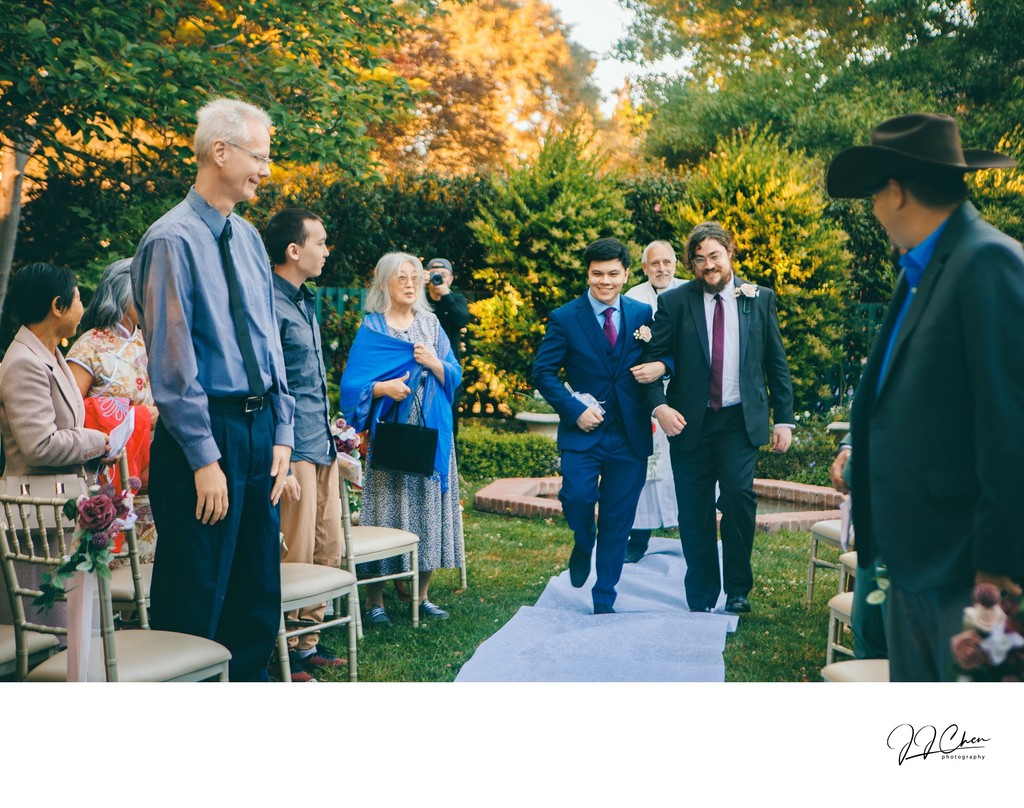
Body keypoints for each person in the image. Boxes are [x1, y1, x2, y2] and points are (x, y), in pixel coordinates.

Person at [826, 112, 1024, 681]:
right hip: (913, 559)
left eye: (873, 194)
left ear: (895, 192)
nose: (872, 208)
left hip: (965, 567)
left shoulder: (987, 260)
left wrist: (997, 570)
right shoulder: (923, 267)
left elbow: (1010, 425)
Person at [131, 98, 296, 682]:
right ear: (220, 152)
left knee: (256, 591)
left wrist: (282, 431)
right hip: (205, 435)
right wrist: (204, 459)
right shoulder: (169, 239)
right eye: (260, 157)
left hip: (260, 432)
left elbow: (270, 342)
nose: (266, 171)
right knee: (196, 592)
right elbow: (172, 364)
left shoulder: (248, 238)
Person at [645, 221, 794, 614]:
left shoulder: (758, 298)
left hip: (738, 422)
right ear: (692, 264)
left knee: (739, 499)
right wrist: (659, 407)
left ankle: (738, 589)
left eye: (714, 256)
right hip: (688, 423)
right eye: (699, 259)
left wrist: (784, 419)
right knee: (693, 509)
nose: (708, 265)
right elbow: (651, 361)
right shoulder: (675, 303)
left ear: (730, 252)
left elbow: (776, 363)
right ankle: (701, 594)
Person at [531, 237, 656, 614]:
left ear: (626, 274)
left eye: (613, 274)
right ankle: (583, 540)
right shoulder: (565, 317)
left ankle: (604, 595)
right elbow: (543, 372)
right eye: (598, 274)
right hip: (583, 433)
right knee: (578, 497)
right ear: (587, 274)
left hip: (630, 434)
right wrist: (573, 410)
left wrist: (661, 366)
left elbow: (664, 357)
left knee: (618, 519)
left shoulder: (642, 314)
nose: (605, 281)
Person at [340, 252, 463, 623]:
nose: (410, 284)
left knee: (428, 508)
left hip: (431, 431)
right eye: (401, 278)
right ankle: (374, 600)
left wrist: (434, 363)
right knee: (385, 511)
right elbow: (351, 386)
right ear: (384, 284)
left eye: (414, 277)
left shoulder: (431, 323)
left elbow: (454, 374)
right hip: (391, 433)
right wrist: (382, 388)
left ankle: (421, 596)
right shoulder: (373, 328)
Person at [264, 207, 346, 681]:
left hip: (322, 443)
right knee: (293, 555)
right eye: (320, 242)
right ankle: (283, 652)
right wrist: (284, 454)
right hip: (292, 449)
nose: (326, 250)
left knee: (326, 548)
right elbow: (273, 386)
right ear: (294, 250)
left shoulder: (304, 300)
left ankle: (308, 641)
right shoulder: (267, 305)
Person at [66, 258, 157, 560]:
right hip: (109, 477)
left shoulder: (151, 340)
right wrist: (136, 416)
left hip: (153, 476)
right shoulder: (89, 346)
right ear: (122, 292)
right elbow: (70, 411)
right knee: (113, 573)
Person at [0, 262, 109, 480]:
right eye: (78, 299)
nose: (82, 308)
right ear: (58, 306)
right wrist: (97, 442)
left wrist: (97, 454)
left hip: (61, 494)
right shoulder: (24, 363)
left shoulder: (49, 354)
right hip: (37, 498)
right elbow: (40, 446)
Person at [623, 240, 686, 564]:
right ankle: (637, 540)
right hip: (643, 395)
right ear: (644, 268)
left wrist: (666, 366)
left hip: (684, 391)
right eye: (655, 263)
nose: (662, 268)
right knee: (645, 467)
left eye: (667, 262)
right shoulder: (632, 299)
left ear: (675, 264)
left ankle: (692, 537)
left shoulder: (690, 293)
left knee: (685, 468)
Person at [424, 257, 470, 441]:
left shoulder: (456, 299)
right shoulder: (419, 300)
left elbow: (461, 320)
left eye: (443, 275)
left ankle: (450, 459)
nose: (438, 279)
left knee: (449, 424)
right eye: (434, 275)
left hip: (448, 371)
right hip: (422, 369)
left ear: (450, 279)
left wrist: (445, 294)